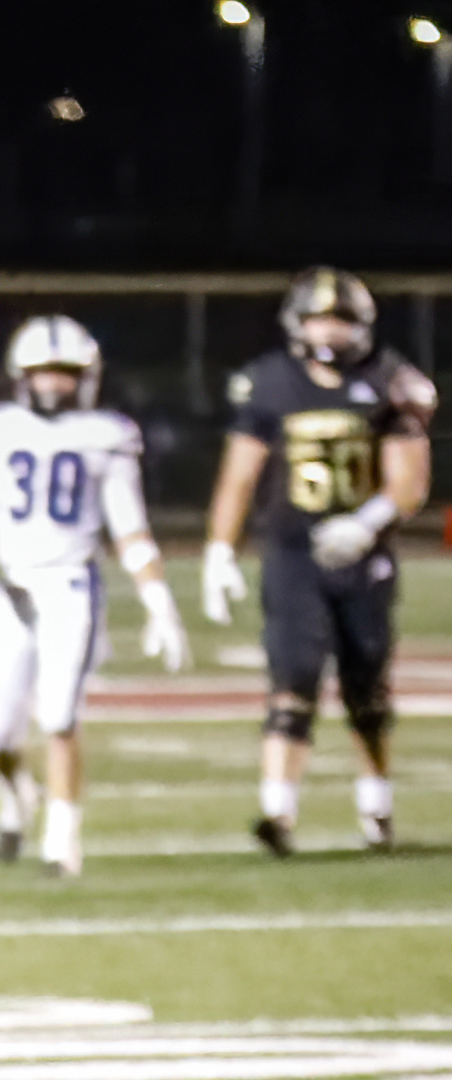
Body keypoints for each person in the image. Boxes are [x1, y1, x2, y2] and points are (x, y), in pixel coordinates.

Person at [0, 316, 190, 876]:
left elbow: (130, 528)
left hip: (71, 588)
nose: (54, 383)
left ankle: (61, 840)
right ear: (22, 377)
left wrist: (157, 601)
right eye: (44, 372)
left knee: (59, 714)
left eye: (65, 373)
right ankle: (16, 795)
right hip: (12, 589)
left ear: (86, 377)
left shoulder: (107, 436)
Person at [201, 267, 436, 854]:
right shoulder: (269, 383)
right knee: (293, 678)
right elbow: (240, 474)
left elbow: (410, 482)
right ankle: (277, 814)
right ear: (296, 323)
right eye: (318, 317)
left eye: (339, 318)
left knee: (366, 688)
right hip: (293, 554)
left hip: (363, 555)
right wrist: (218, 550)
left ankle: (376, 802)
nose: (328, 330)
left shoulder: (391, 380)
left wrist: (366, 522)